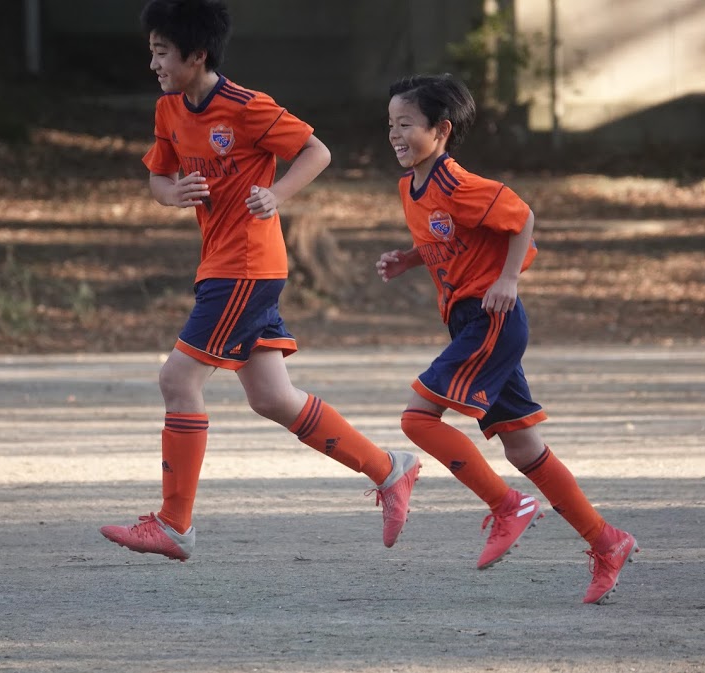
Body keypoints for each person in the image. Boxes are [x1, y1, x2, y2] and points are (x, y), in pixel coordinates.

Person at [100, 0, 420, 562]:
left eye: (162, 52)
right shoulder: (169, 109)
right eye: (151, 52)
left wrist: (276, 194)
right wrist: (173, 194)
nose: (153, 63)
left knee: (178, 379)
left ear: (197, 55)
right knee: (272, 397)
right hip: (224, 268)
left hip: (245, 267)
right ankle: (389, 469)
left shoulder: (247, 107)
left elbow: (316, 152)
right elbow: (158, 177)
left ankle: (174, 525)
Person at [376, 74, 637, 605]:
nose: (395, 134)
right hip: (472, 322)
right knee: (523, 446)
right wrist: (409, 259)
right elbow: (450, 237)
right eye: (391, 124)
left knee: (417, 418)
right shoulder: (411, 187)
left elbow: (522, 219)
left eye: (406, 124)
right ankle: (606, 541)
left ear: (441, 130)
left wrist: (509, 279)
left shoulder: (457, 183)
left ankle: (506, 505)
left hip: (490, 318)